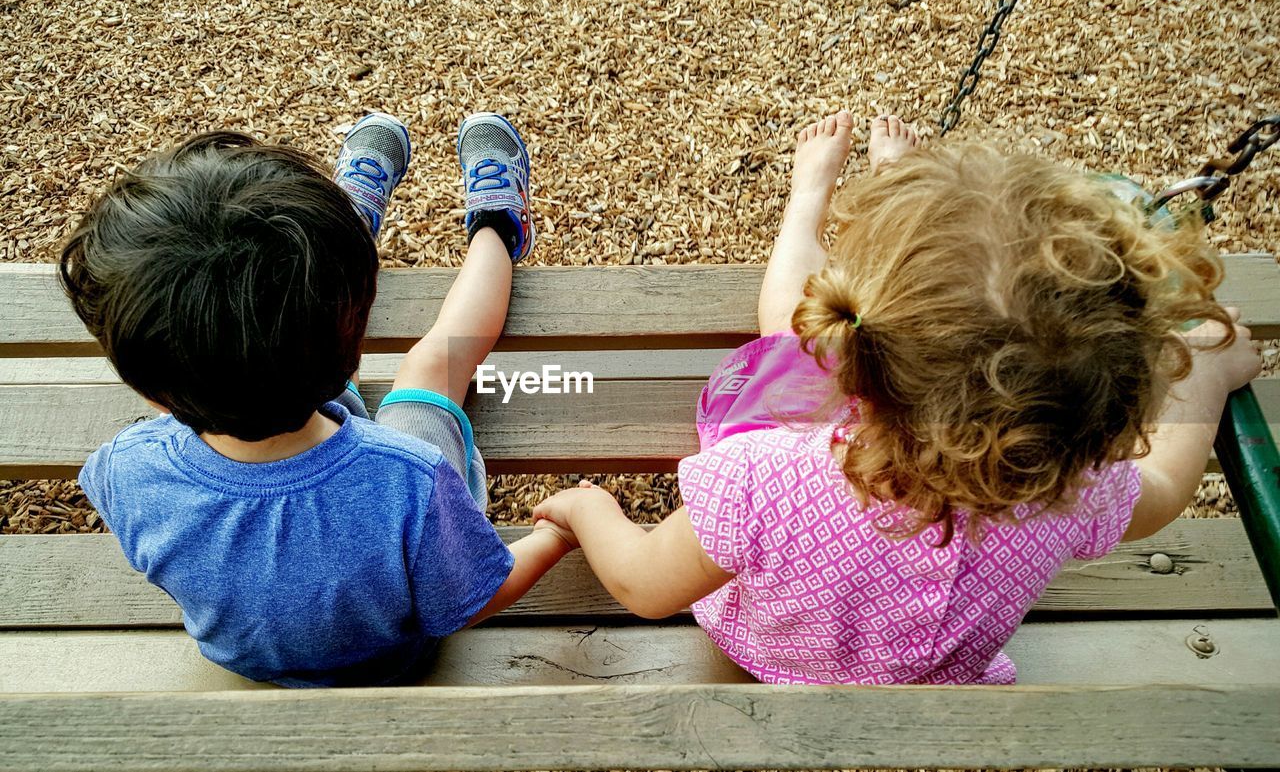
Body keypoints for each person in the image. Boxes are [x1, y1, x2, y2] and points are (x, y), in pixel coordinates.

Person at [532, 112, 1262, 684]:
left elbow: (645, 585)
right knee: (806, 337)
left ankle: (806, 204)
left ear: (857, 371)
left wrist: (585, 507)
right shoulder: (1067, 483)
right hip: (937, 681)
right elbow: (1165, 485)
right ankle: (872, 190)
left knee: (789, 334)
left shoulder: (762, 479)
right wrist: (1206, 376)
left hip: (767, 657)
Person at [60, 111, 574, 687]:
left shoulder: (125, 469)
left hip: (249, 664)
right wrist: (555, 537)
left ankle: (351, 220)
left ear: (150, 390)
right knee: (434, 365)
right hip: (395, 657)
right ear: (352, 354)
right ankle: (494, 229)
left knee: (286, 328)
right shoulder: (409, 481)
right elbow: (470, 599)